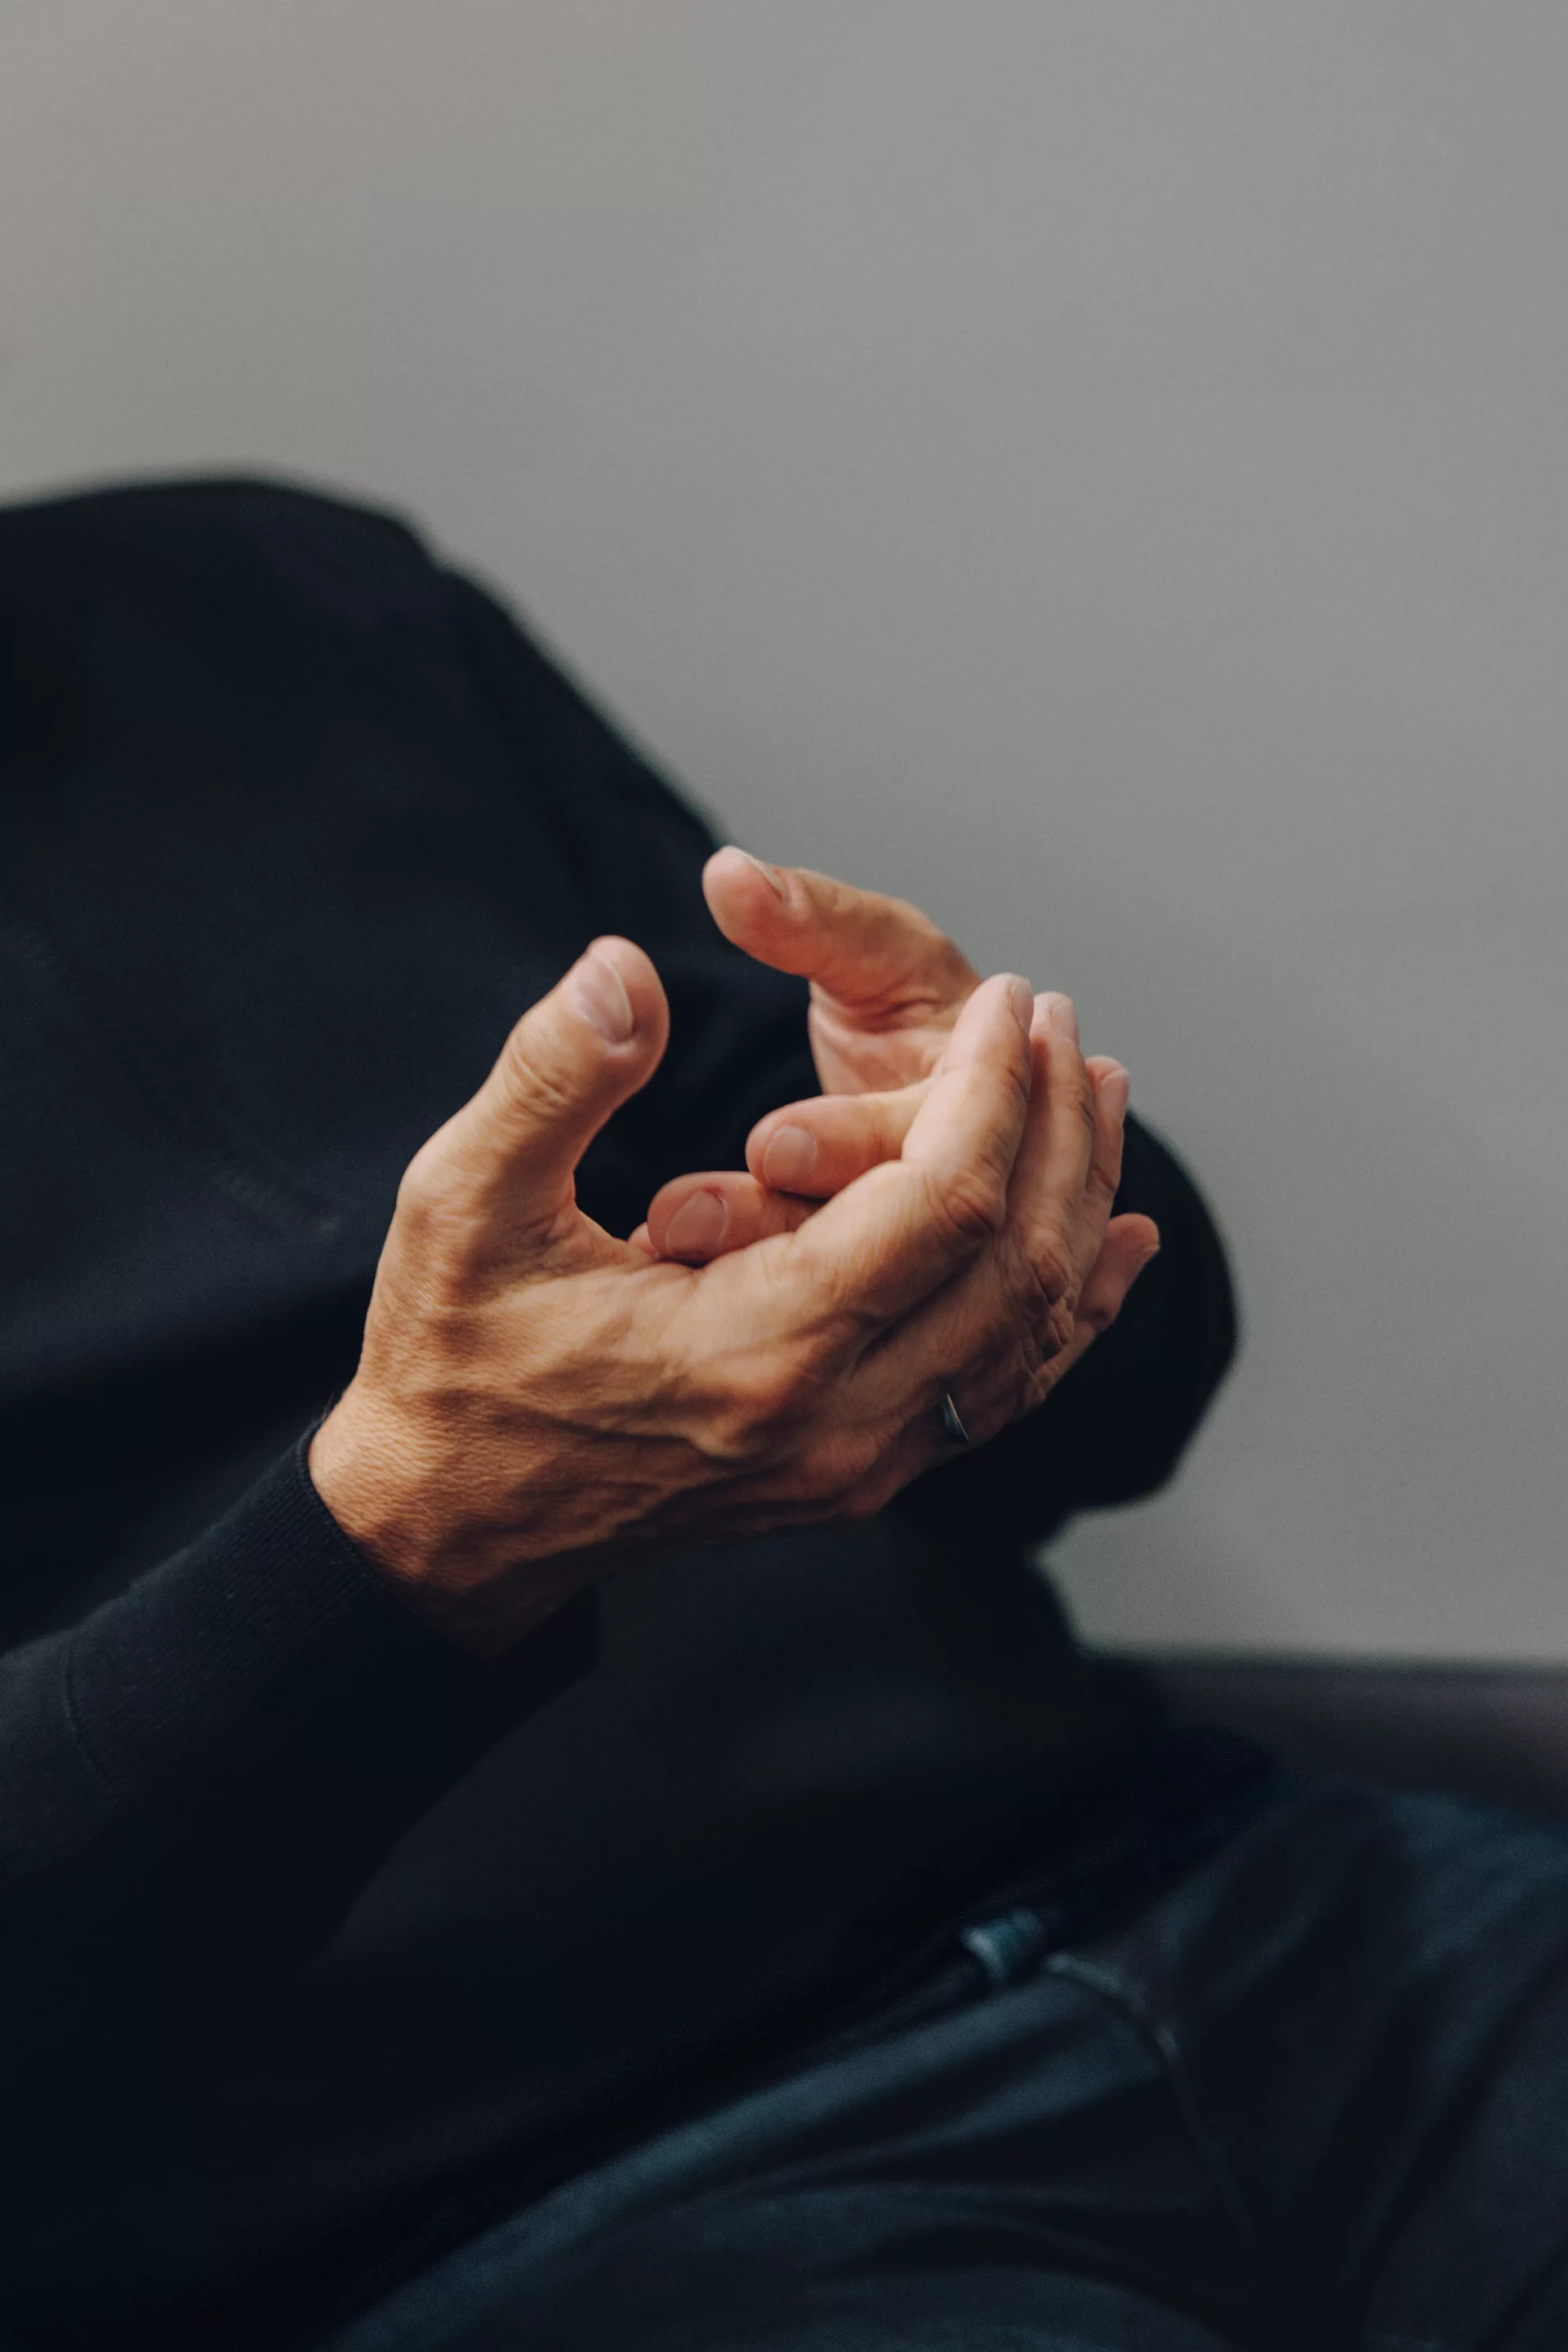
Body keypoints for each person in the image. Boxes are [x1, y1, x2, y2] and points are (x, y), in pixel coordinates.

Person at [2, 479, 1563, 2352]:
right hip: (522, 2217)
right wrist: (408, 1539)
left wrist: (999, 1215)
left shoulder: (283, 598)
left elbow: (1122, 1409)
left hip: (1216, 1893)